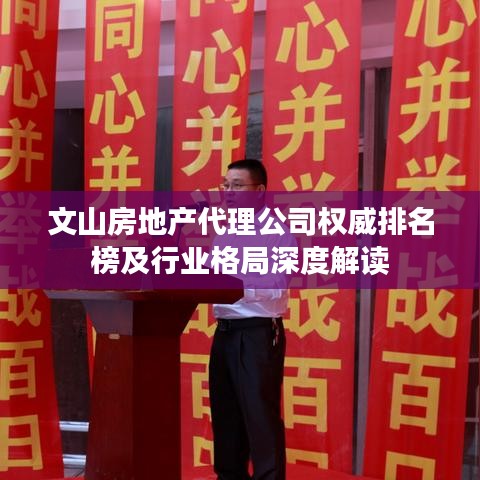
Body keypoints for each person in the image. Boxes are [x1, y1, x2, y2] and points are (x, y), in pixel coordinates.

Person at [209, 158, 294, 480]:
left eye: (237, 185)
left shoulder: (279, 234)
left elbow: (276, 286)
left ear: (259, 191)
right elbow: (209, 279)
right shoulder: (225, 234)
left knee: (260, 416)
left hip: (257, 333)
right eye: (225, 185)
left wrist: (233, 286)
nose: (228, 192)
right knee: (226, 414)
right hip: (225, 332)